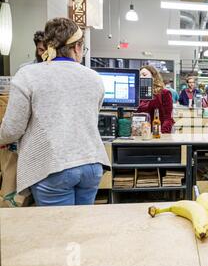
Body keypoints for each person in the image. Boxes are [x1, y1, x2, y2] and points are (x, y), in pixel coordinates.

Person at [0, 17, 111, 206]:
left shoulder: (28, 75)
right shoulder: (94, 78)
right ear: (76, 47)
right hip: (91, 163)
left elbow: (12, 129)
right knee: (81, 227)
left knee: (60, 231)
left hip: (53, 165)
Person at [137, 65, 175, 133]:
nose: (141, 77)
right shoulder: (137, 94)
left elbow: (168, 118)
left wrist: (163, 133)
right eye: (139, 75)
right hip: (141, 132)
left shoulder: (164, 93)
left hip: (158, 132)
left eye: (144, 75)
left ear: (154, 77)